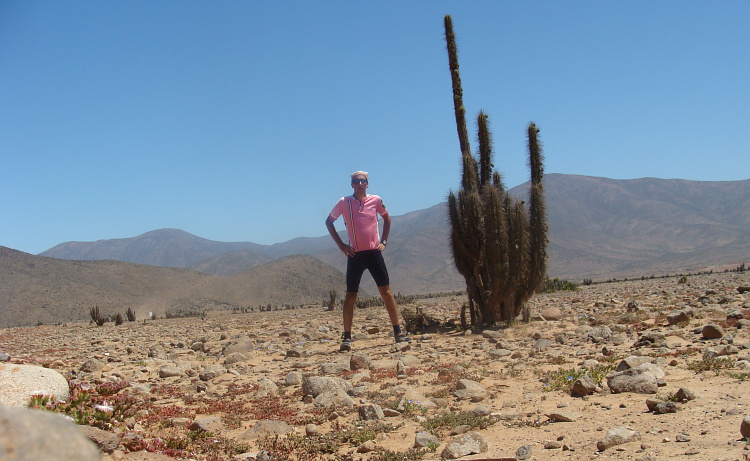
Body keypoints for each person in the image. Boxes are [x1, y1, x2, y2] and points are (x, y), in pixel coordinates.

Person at [325, 171, 410, 352]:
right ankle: (347, 338)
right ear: (352, 185)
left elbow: (386, 218)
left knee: (386, 293)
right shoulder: (344, 202)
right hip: (355, 255)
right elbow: (329, 221)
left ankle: (398, 332)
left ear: (368, 184)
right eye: (356, 181)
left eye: (363, 181)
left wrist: (384, 242)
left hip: (373, 252)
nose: (360, 184)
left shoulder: (376, 200)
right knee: (351, 296)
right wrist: (341, 245)